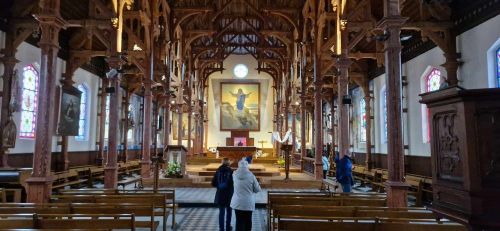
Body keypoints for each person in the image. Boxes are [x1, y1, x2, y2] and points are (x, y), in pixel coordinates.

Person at [230, 158, 261, 231]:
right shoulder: (251, 176)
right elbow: (257, 189)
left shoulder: (234, 175)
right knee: (248, 221)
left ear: (238, 166)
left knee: (238, 221)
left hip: (237, 202)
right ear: (247, 166)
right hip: (248, 202)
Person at [211, 158, 234, 231]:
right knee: (229, 211)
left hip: (220, 193)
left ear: (222, 162)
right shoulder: (230, 171)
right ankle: (228, 227)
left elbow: (213, 183)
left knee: (221, 212)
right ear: (228, 163)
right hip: (229, 194)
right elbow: (232, 183)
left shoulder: (218, 170)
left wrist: (219, 186)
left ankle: (221, 228)